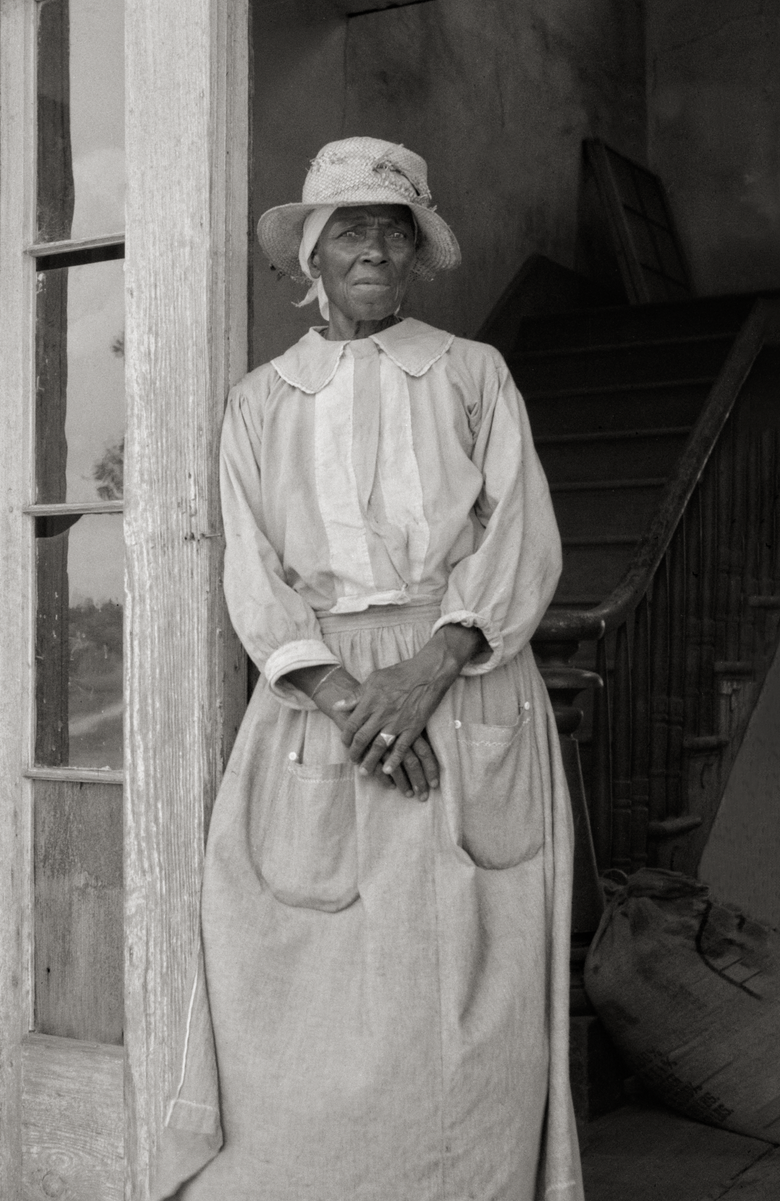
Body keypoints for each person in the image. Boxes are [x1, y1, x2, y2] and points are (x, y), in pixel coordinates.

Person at [152, 137, 583, 1201]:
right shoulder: (261, 404)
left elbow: (522, 535)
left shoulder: (475, 374)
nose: (374, 248)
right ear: (311, 251)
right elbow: (253, 577)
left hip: (468, 674)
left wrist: (430, 668)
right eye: (351, 227)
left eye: (395, 229)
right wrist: (352, 698)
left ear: (420, 250)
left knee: (475, 995)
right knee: (299, 974)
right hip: (317, 700)